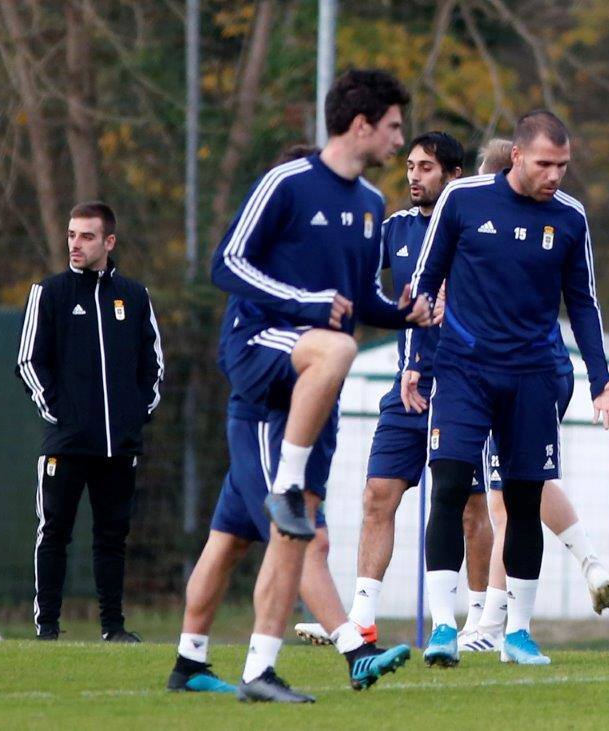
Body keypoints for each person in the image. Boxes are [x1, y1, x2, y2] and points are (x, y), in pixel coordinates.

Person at [182, 69, 430, 703]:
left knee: (246, 535)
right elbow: (225, 263)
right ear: (362, 124)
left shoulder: (372, 207)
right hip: (263, 355)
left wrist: (407, 313)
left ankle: (218, 664)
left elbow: (360, 300)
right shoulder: (287, 183)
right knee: (294, 521)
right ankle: (337, 645)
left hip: (313, 384)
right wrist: (308, 302)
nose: (401, 143)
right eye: (395, 127)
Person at [407, 110, 609, 666]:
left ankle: (518, 634)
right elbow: (425, 282)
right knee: (451, 486)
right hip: (464, 371)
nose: (555, 175)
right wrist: (417, 358)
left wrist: (601, 381)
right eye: (545, 164)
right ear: (517, 157)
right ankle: (442, 628)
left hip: (532, 376)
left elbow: (583, 303)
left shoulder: (571, 219)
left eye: (563, 165)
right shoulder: (463, 201)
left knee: (525, 500)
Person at [290, 132, 495, 647]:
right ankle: (362, 618)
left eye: (426, 168)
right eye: (409, 166)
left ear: (454, 176)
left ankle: (480, 623)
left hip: (466, 387)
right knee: (378, 496)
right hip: (408, 389)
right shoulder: (395, 228)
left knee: (469, 507)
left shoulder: (477, 229)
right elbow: (354, 275)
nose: (413, 177)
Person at [457, 140, 609, 654]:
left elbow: (581, 299)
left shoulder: (544, 220)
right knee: (530, 484)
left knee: (506, 503)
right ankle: (588, 560)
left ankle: (490, 625)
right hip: (550, 370)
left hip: (517, 373)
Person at [16, 201, 163, 642]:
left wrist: (134, 418)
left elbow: (153, 367)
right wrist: (60, 414)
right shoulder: (51, 293)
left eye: (86, 236)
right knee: (54, 532)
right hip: (66, 443)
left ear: (108, 242)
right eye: (71, 235)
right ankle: (47, 628)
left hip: (119, 448)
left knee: (112, 538)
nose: (75, 244)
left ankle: (113, 627)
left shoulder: (135, 297)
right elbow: (28, 361)